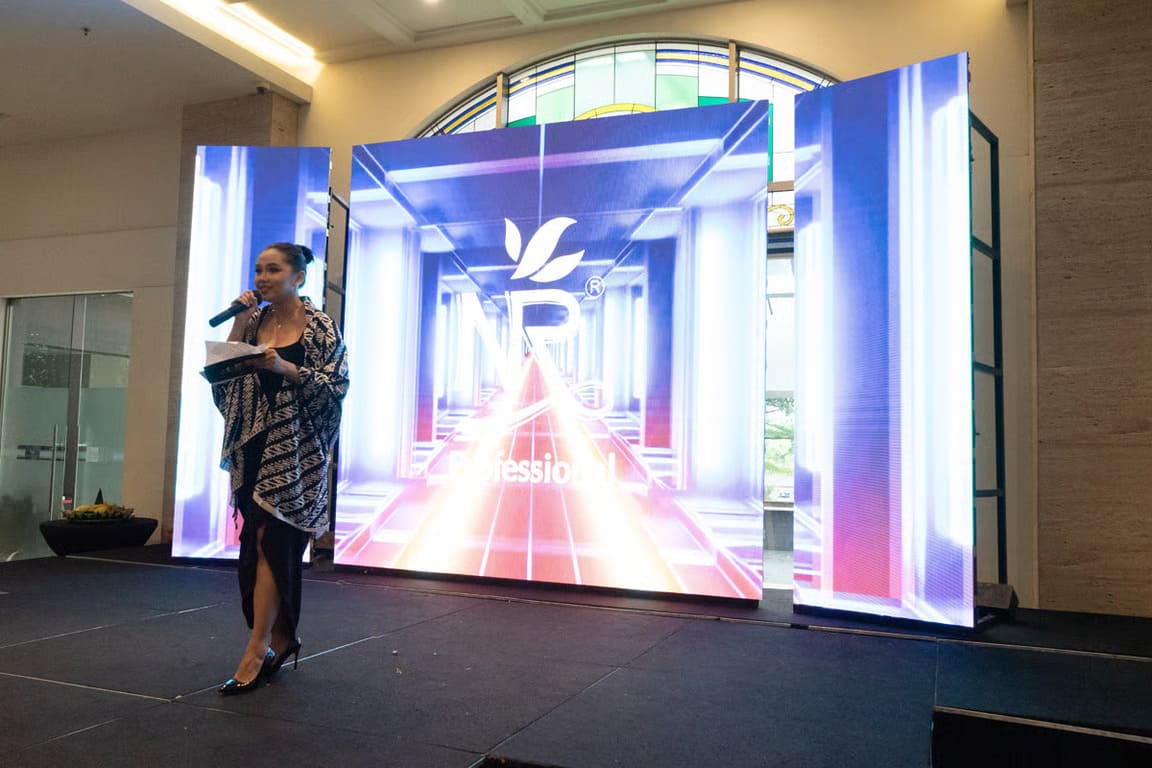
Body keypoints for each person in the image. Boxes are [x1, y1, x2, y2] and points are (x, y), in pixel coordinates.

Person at [211, 242, 349, 695]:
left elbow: (337, 386)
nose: (262, 277)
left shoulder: (320, 326)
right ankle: (282, 638)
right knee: (257, 548)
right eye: (258, 270)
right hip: (254, 444)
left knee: (273, 541)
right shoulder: (253, 320)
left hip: (297, 452)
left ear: (298, 277)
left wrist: (285, 367)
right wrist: (238, 320)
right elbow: (223, 377)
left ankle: (257, 649)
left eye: (272, 270)